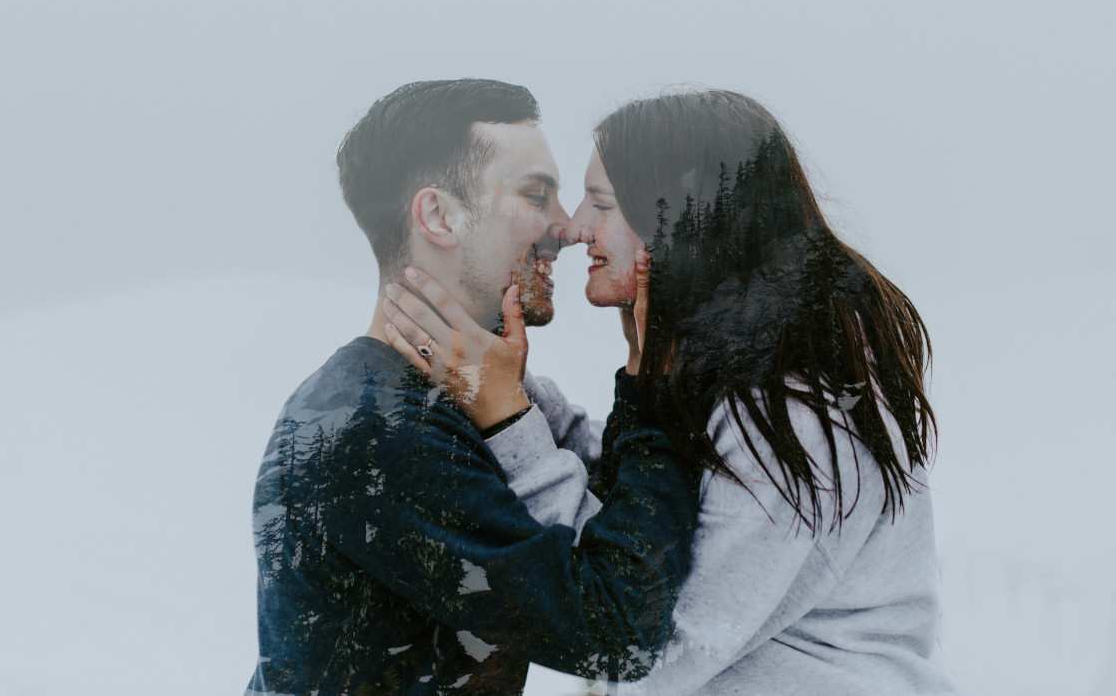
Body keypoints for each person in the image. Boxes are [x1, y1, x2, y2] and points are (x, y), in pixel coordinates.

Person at [394, 88, 958, 694]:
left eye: (602, 203)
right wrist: (522, 393)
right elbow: (643, 515)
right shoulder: (732, 379)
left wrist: (510, 419)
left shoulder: (793, 416)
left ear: (683, 218)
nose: (576, 227)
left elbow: (650, 654)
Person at [245, 79, 698, 695]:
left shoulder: (449, 398)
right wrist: (650, 387)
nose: (566, 227)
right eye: (538, 194)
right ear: (438, 216)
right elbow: (615, 633)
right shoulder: (374, 428)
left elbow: (633, 529)